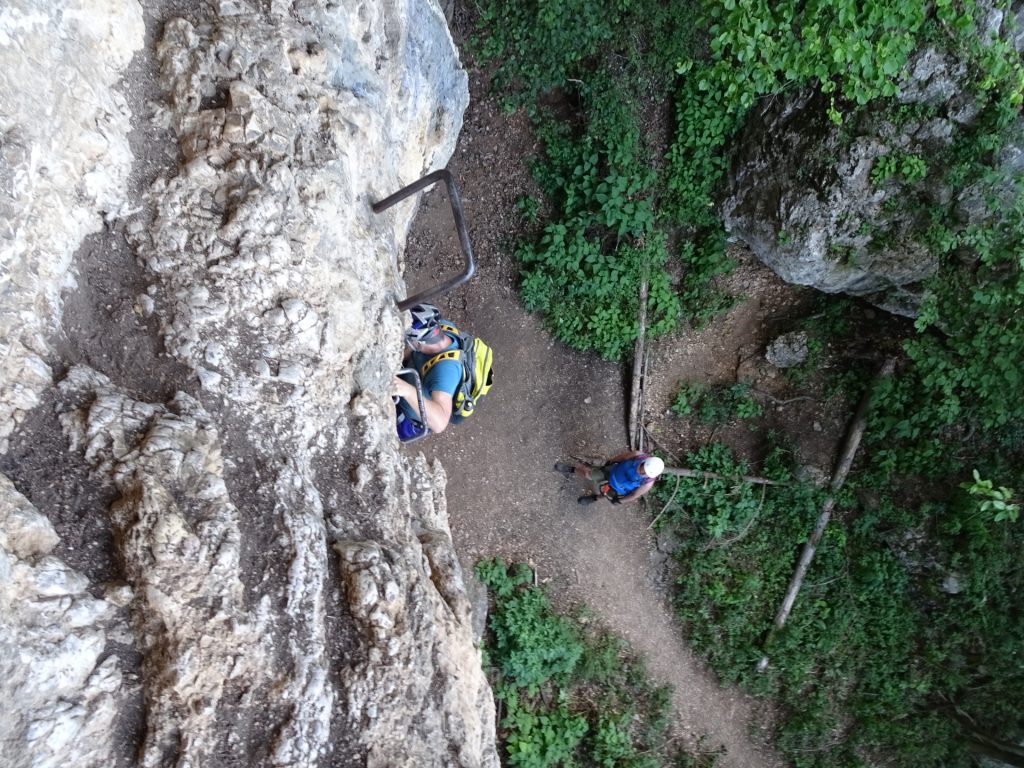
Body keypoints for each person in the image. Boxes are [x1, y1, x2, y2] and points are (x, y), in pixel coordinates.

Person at [392, 303, 464, 442]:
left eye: (410, 342)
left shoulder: (444, 373)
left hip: (408, 419)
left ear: (420, 342)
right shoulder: (438, 327)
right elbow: (410, 350)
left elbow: (440, 423)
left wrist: (407, 390)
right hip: (411, 376)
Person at [554, 450, 665, 506]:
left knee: (605, 494)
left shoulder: (647, 483)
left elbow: (634, 495)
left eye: (645, 473)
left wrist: (620, 501)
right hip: (611, 471)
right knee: (589, 474)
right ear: (645, 462)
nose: (642, 472)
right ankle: (572, 470)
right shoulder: (637, 455)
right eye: (643, 468)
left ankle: (594, 498)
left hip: (618, 488)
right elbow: (622, 457)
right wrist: (610, 462)